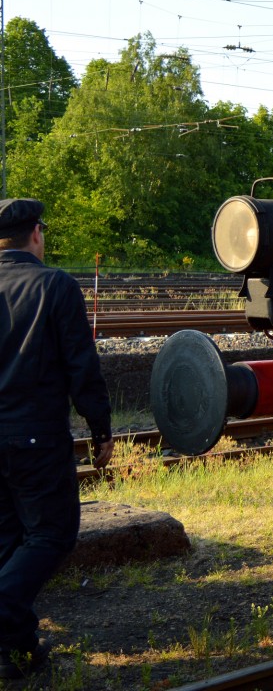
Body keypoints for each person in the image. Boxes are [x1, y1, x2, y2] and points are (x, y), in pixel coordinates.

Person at [0, 198, 114, 679]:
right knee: (51, 534)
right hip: (35, 439)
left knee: (8, 540)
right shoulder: (55, 286)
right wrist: (100, 429)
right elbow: (81, 368)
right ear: (37, 235)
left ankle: (17, 651)